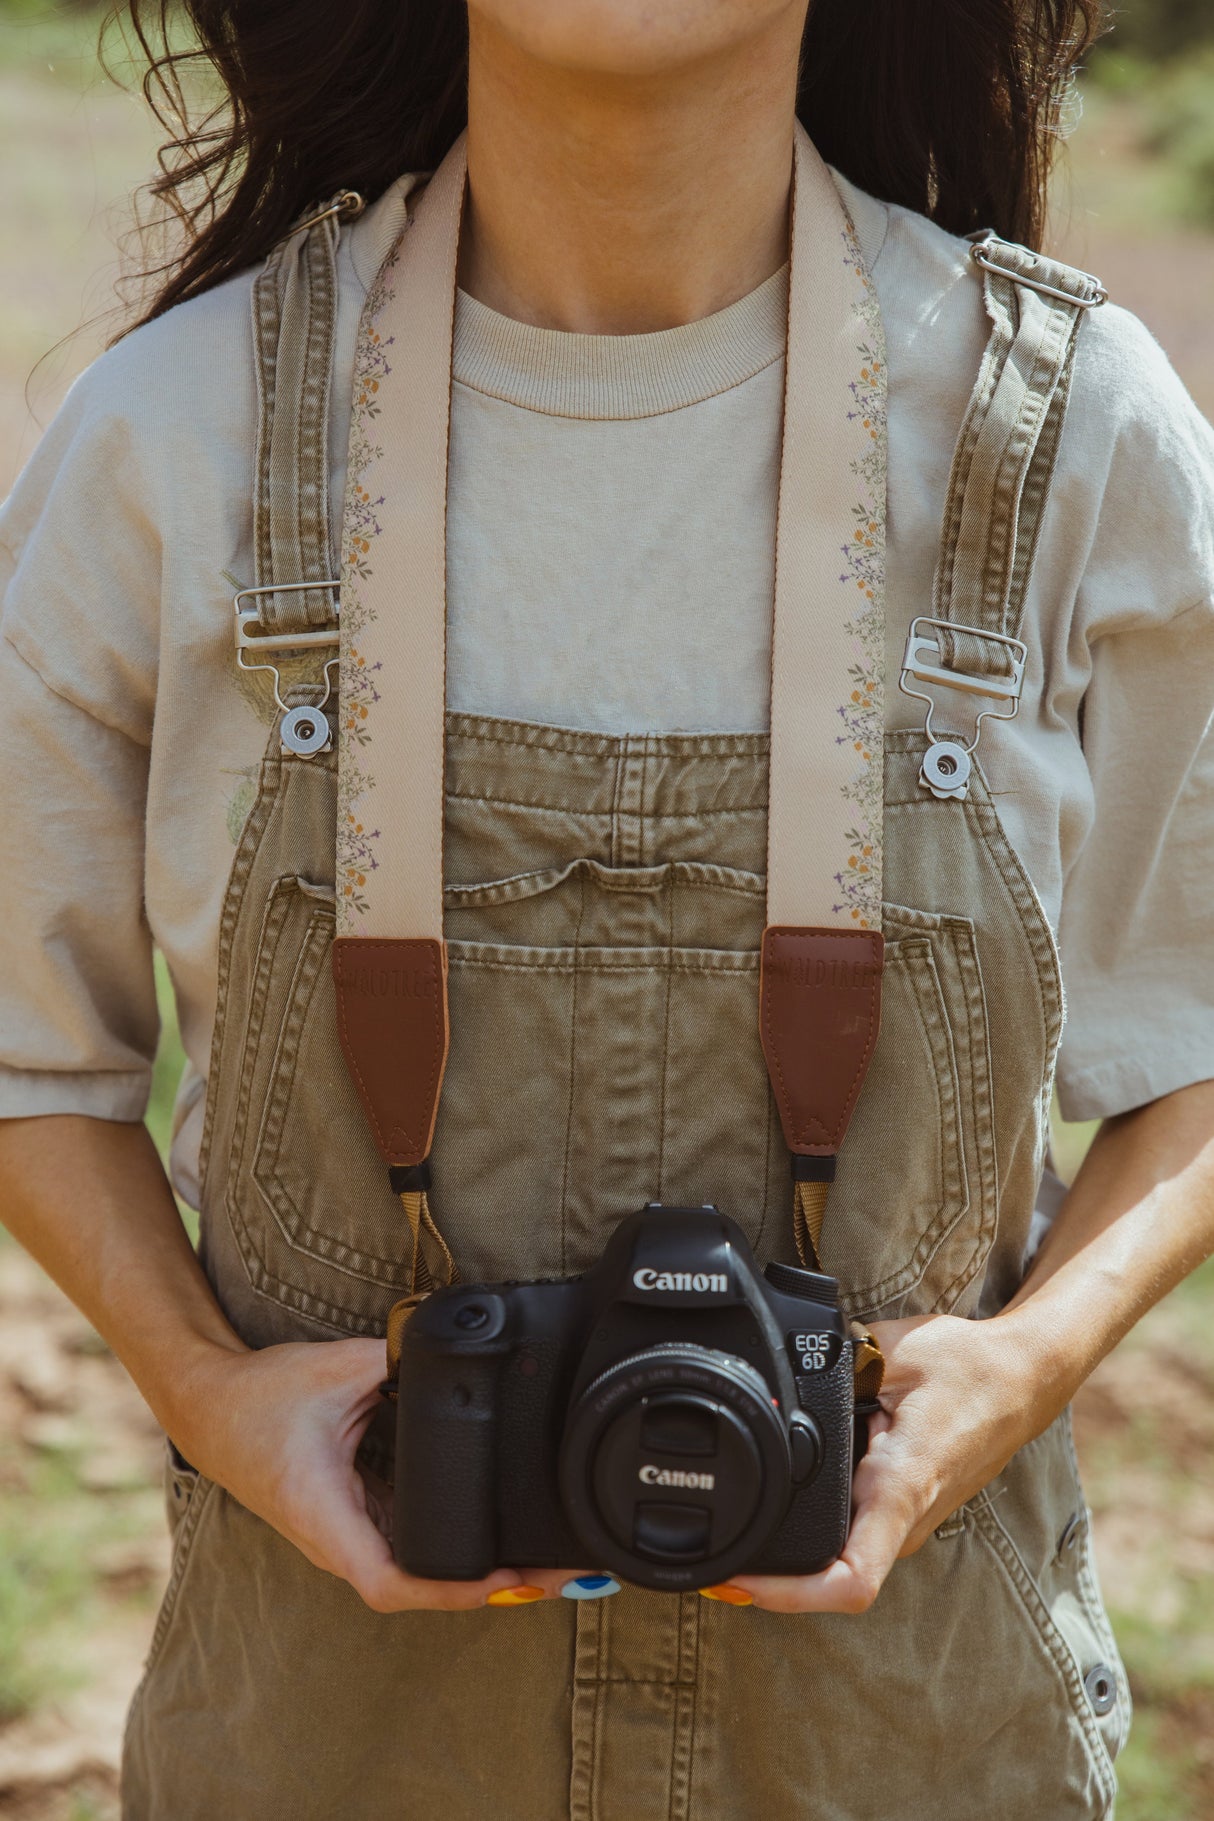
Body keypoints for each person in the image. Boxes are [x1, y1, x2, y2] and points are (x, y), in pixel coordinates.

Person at [1, 0, 1213, 1815]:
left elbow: (1194, 1059)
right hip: (337, 1746)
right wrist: (202, 1388)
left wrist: (1027, 1363)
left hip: (909, 1745)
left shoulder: (1064, 431)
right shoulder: (177, 432)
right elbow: (31, 1056)